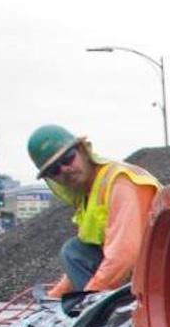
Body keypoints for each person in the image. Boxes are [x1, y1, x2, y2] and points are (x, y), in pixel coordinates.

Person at [27, 125, 159, 299]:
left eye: (68, 159)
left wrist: (89, 300)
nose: (64, 170)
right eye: (54, 170)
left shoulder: (119, 182)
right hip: (140, 274)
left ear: (82, 151)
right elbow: (84, 262)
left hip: (161, 274)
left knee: (73, 251)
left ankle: (106, 315)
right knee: (73, 251)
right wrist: (53, 298)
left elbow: (125, 255)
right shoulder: (88, 197)